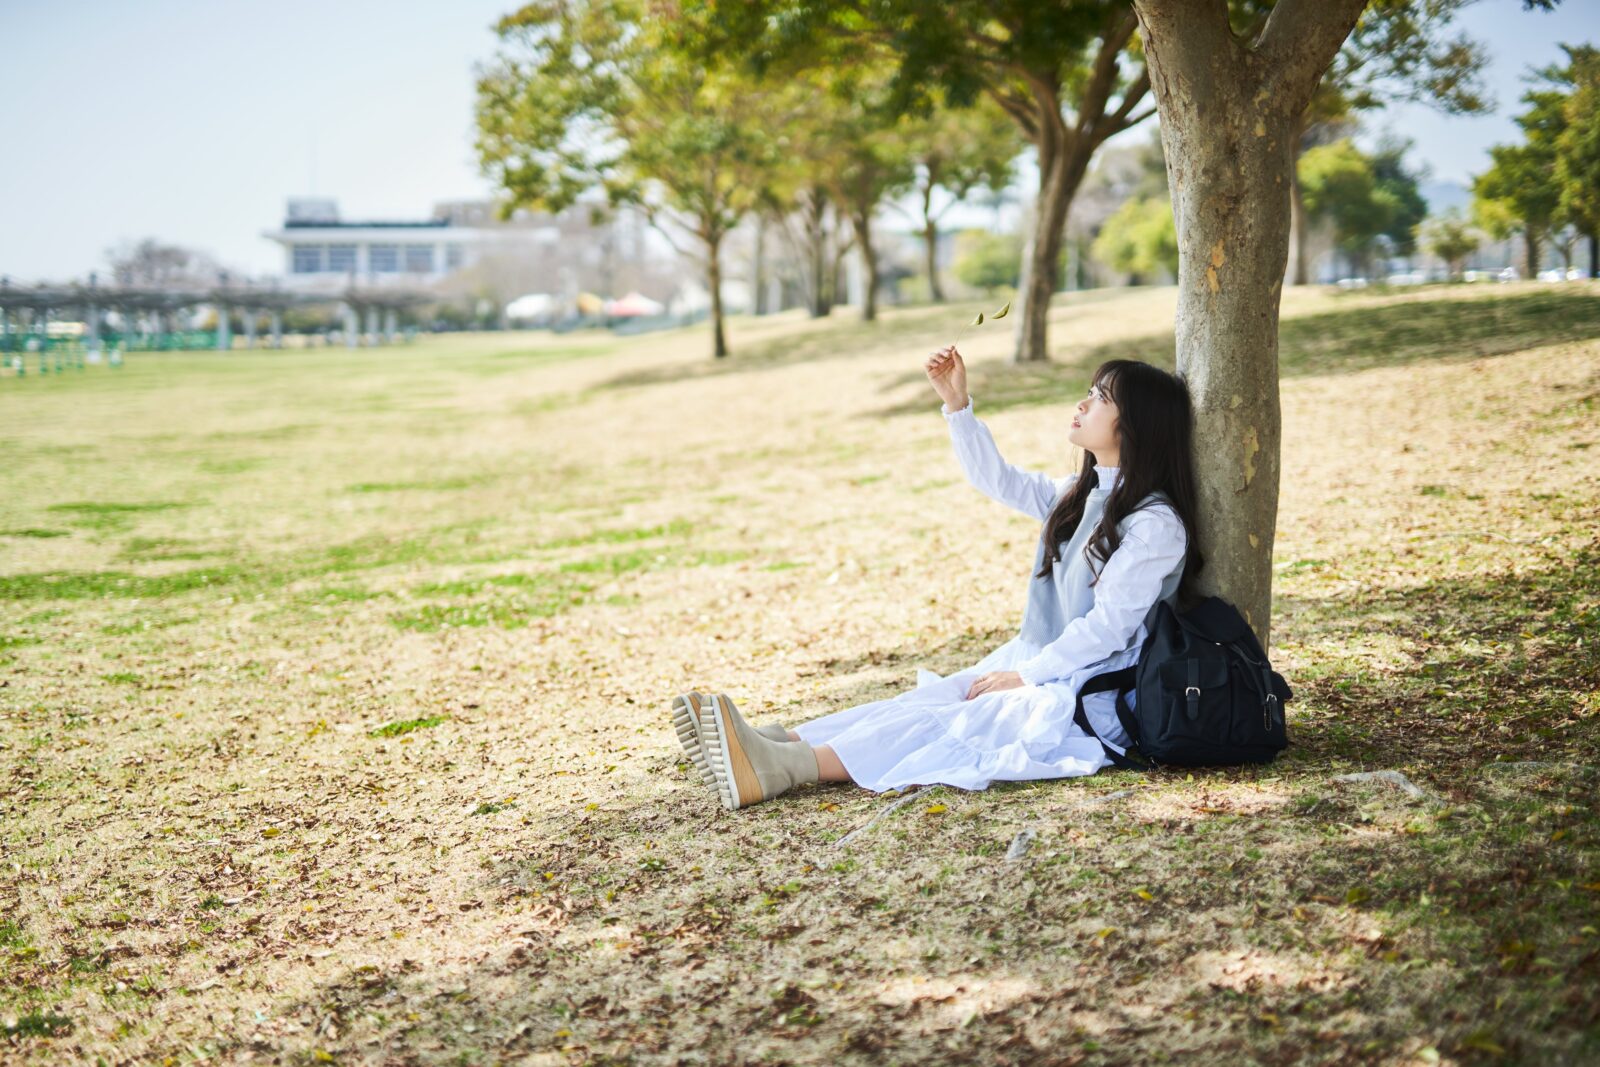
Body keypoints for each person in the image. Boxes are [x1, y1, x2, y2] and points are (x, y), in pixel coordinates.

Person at [673, 348, 1205, 811]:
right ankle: (773, 743)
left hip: (1093, 686)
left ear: (1137, 426)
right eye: (1089, 392)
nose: (1083, 404)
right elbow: (997, 481)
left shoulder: (1154, 525)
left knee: (959, 721)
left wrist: (1027, 675)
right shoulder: (1080, 492)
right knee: (928, 701)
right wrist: (957, 404)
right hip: (1044, 661)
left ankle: (784, 767)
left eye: (1101, 398)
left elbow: (1110, 630)